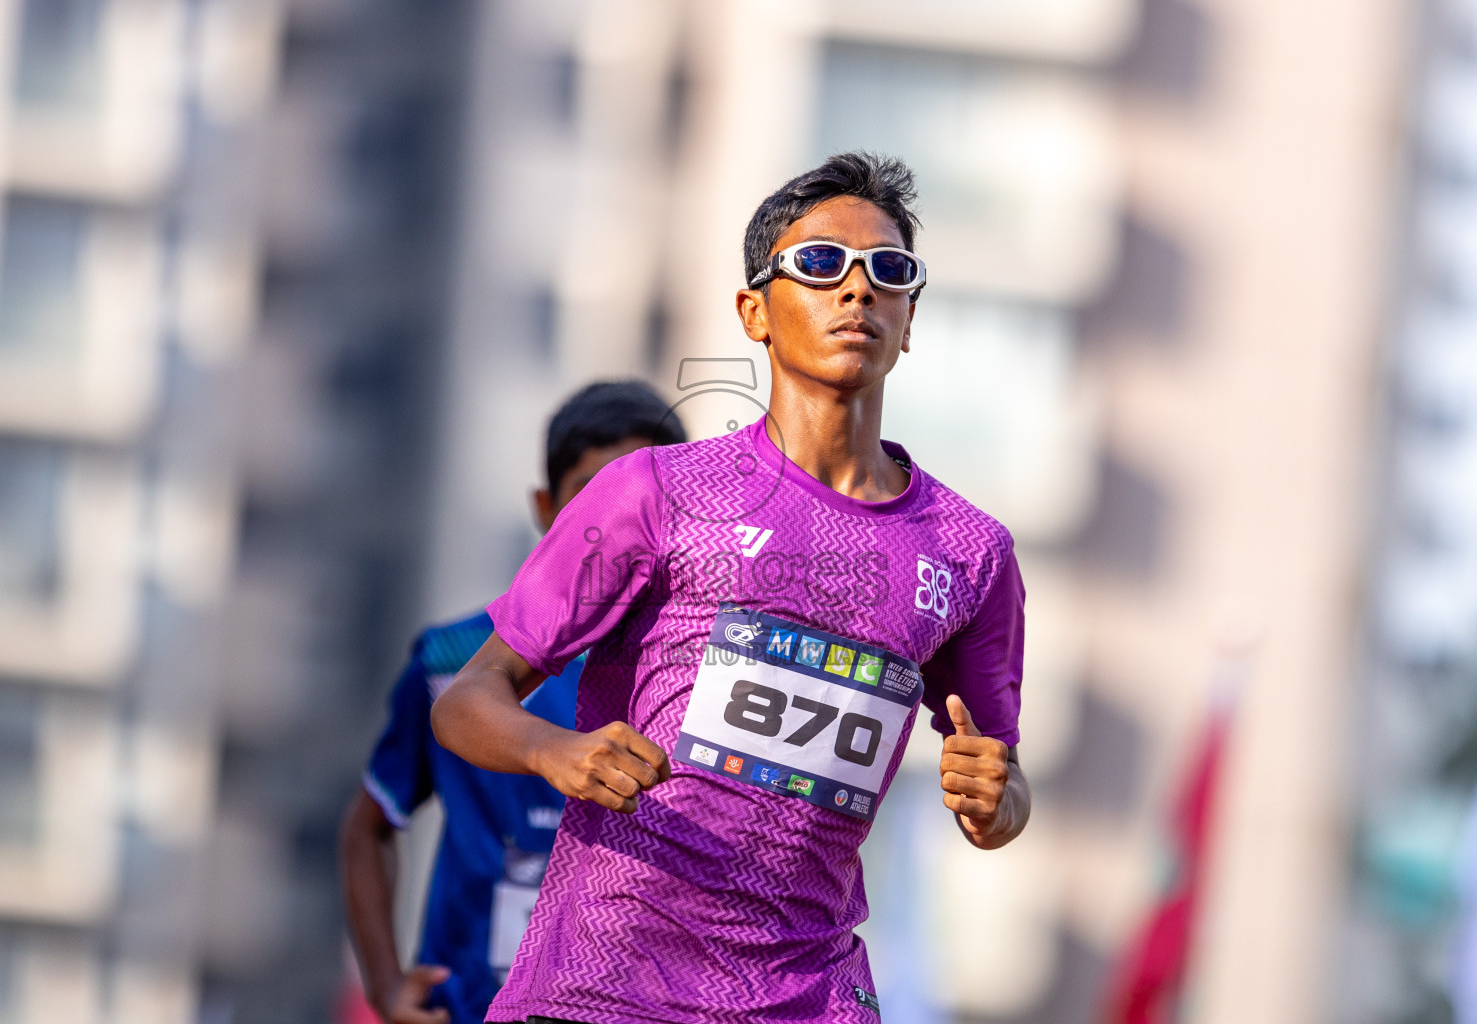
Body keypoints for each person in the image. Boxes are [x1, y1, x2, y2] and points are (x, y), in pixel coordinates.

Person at [431, 151, 1033, 1024]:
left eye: (888, 272)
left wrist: (997, 799)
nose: (857, 291)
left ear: (910, 321)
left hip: (810, 994)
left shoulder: (972, 553)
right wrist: (552, 750)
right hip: (607, 983)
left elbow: (1003, 788)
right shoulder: (654, 492)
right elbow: (468, 699)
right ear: (755, 311)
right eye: (821, 265)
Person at [340, 381, 687, 1024]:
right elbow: (368, 826)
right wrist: (386, 987)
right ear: (544, 507)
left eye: (640, 504)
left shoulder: (706, 673)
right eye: (588, 500)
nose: (610, 528)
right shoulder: (455, 662)